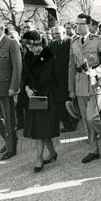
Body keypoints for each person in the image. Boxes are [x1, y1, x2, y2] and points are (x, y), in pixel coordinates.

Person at [68, 13, 101, 163]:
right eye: (77, 24)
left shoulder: (98, 40)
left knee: (92, 116)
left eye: (81, 24)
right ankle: (93, 149)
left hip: (96, 82)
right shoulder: (73, 42)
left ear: (89, 25)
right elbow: (72, 66)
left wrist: (96, 72)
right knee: (86, 122)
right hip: (80, 83)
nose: (78, 27)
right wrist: (71, 88)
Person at [21, 31, 60, 172]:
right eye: (28, 47)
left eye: (32, 47)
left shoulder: (49, 55)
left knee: (40, 128)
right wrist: (26, 88)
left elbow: (48, 78)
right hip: (32, 96)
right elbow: (24, 74)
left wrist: (35, 91)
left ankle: (39, 158)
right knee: (40, 128)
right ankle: (52, 152)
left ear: (39, 43)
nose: (30, 50)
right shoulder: (28, 56)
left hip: (46, 96)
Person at [0, 19, 23, 160]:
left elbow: (17, 67)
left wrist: (14, 87)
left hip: (6, 88)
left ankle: (11, 147)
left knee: (9, 120)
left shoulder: (11, 43)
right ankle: (10, 139)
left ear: (2, 28)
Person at [49, 26, 77, 133]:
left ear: (64, 33)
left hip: (67, 76)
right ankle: (67, 124)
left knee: (68, 101)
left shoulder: (70, 42)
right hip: (56, 77)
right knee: (60, 102)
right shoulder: (52, 44)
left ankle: (74, 121)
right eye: (54, 33)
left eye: (58, 33)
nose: (55, 35)